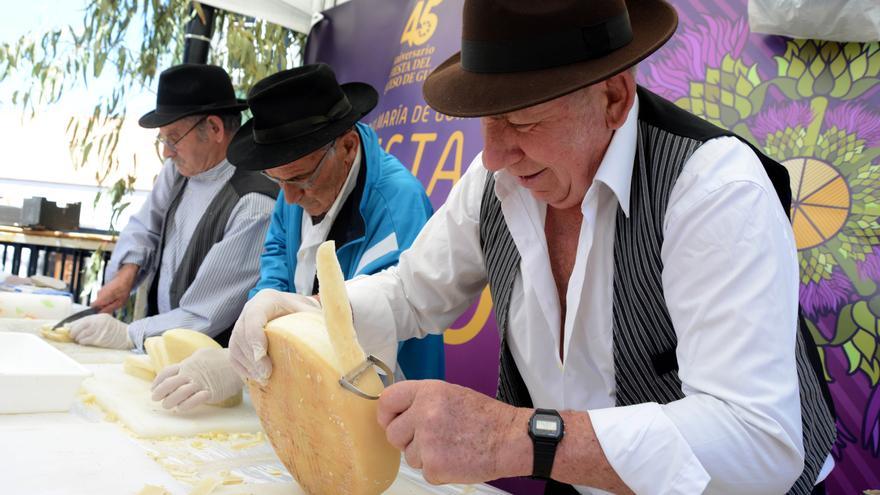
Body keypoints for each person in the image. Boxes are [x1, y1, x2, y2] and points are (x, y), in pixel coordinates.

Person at [230, 1, 838, 494]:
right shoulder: (495, 180)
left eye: (522, 122)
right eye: (487, 121)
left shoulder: (713, 189)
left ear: (614, 98)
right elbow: (411, 294)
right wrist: (305, 316)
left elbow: (759, 442)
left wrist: (514, 437)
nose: (494, 155)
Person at [151, 64, 445, 411]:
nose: (288, 199)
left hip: (385, 399)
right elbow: (275, 261)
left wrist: (249, 355)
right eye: (277, 181)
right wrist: (257, 320)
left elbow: (369, 316)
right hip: (310, 391)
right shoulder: (292, 182)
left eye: (300, 180)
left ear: (348, 147)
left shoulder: (397, 204)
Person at [69, 64, 277, 352]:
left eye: (173, 137)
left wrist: (128, 334)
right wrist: (126, 273)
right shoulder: (178, 171)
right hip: (162, 343)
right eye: (163, 139)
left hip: (208, 362)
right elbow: (146, 226)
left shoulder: (253, 204)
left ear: (215, 128)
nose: (167, 151)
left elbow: (206, 314)